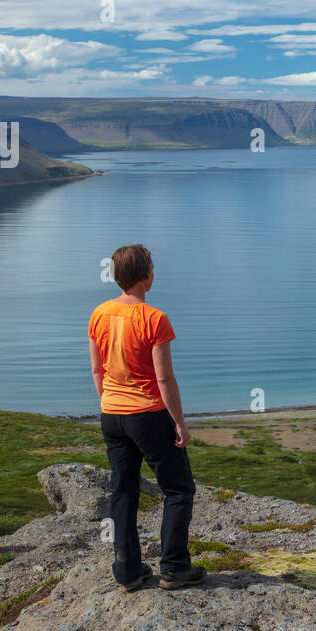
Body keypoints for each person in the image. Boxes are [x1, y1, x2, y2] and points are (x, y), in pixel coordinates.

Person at [87, 244, 202, 592]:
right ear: (146, 276)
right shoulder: (154, 319)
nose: (154, 272)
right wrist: (179, 422)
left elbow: (97, 369)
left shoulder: (98, 315)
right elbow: (164, 379)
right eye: (152, 267)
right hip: (148, 415)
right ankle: (175, 567)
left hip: (112, 414)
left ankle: (127, 571)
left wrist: (110, 403)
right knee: (179, 488)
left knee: (123, 491)